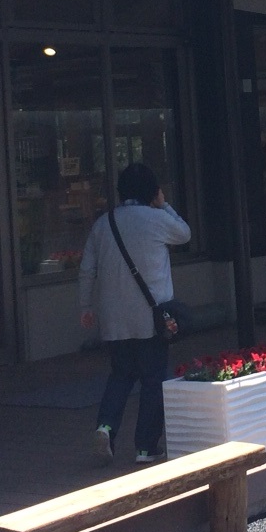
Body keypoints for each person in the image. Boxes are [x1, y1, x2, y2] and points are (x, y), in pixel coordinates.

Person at [79, 163, 190, 466]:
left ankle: (105, 427)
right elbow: (185, 233)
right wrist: (163, 203)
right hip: (152, 319)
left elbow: (87, 268)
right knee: (154, 379)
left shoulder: (104, 223)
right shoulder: (156, 219)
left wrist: (85, 306)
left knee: (121, 375)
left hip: (114, 319)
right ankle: (145, 447)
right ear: (151, 190)